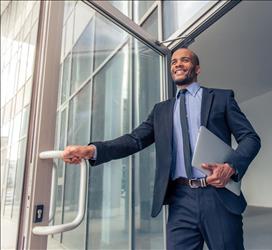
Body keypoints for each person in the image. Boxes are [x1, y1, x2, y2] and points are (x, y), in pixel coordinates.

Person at [62, 48, 261, 250]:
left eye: (185, 60)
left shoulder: (221, 98)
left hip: (218, 196)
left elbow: (250, 138)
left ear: (197, 69)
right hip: (181, 199)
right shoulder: (161, 110)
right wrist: (91, 150)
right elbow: (134, 140)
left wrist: (231, 166)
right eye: (173, 62)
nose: (178, 65)